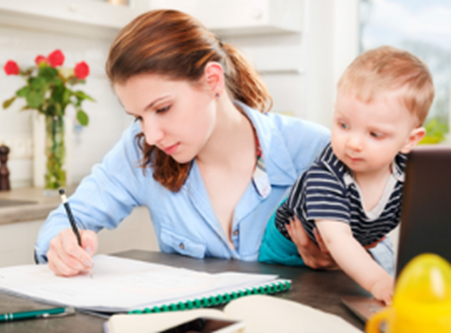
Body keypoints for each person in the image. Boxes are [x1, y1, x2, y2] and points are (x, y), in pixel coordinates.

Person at [34, 9, 393, 277]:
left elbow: (393, 258)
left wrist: (342, 262)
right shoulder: (140, 148)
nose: (152, 134)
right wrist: (61, 243)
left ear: (212, 80)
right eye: (138, 117)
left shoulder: (318, 152)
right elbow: (66, 220)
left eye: (162, 108)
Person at [259, 46, 434, 304]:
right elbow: (336, 238)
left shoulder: (410, 173)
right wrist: (379, 282)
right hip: (289, 253)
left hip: (347, 250)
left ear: (410, 140)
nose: (353, 143)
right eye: (343, 124)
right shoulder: (326, 175)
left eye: (374, 134)